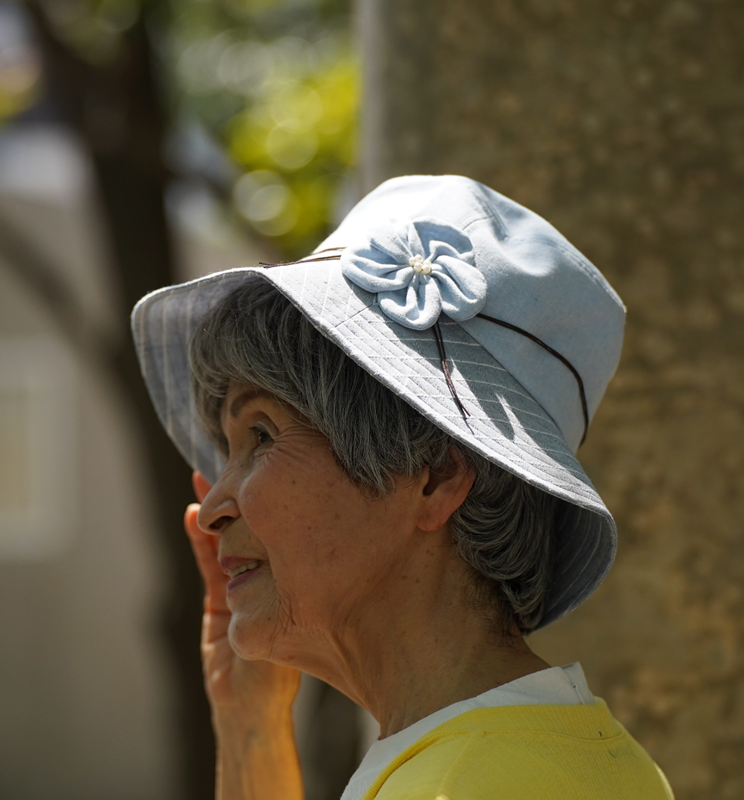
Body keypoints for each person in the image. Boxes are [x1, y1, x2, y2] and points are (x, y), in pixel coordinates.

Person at [132, 175, 674, 799]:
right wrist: (249, 723)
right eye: (228, 452)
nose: (213, 508)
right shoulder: (533, 758)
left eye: (261, 435)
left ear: (435, 474)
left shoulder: (467, 786)